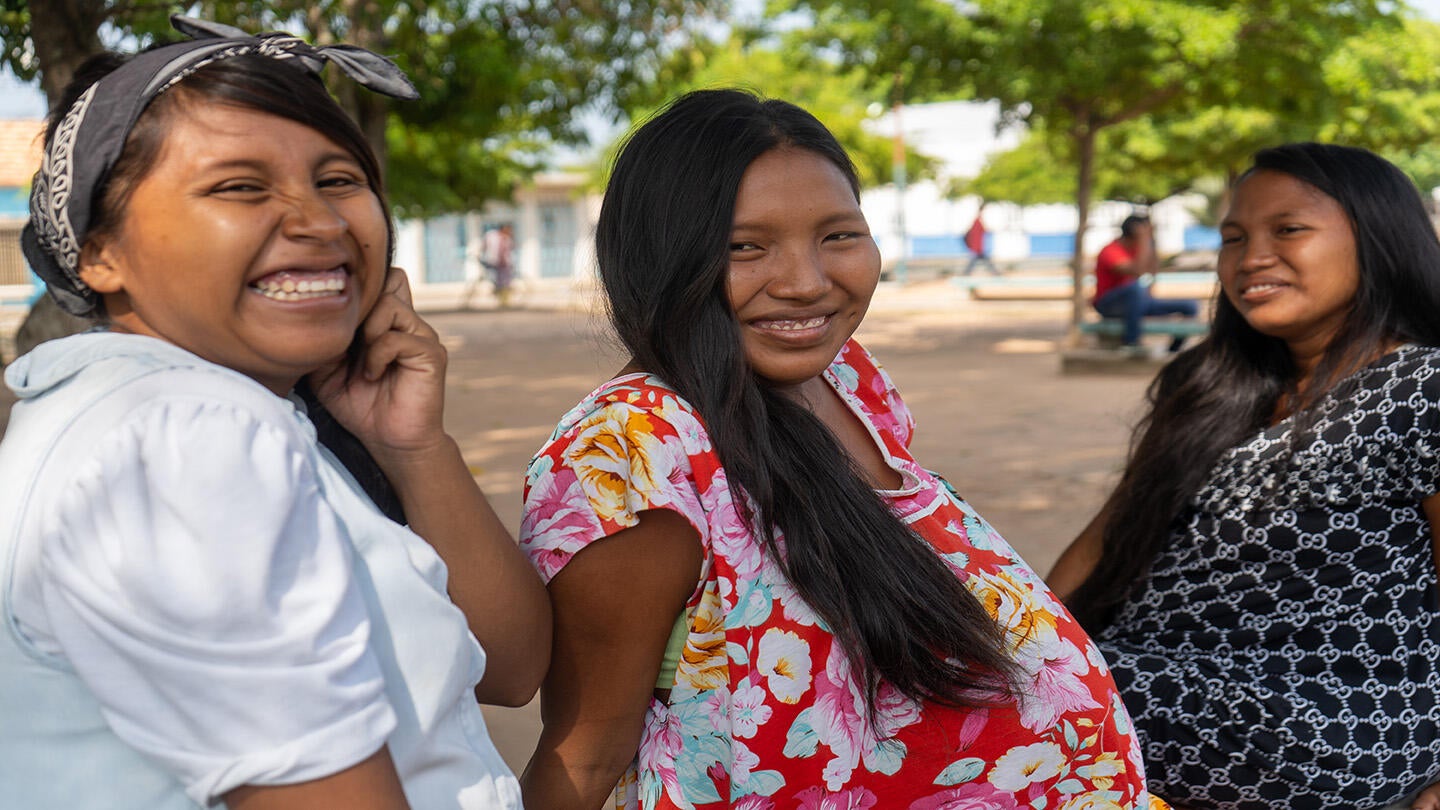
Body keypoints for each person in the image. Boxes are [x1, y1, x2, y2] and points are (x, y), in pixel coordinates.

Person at [518, 89, 1164, 809]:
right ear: (658, 260)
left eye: (838, 235)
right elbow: (588, 750)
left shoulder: (847, 379)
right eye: (744, 247)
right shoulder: (636, 453)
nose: (806, 284)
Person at [0, 16, 549, 808]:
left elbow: (508, 670)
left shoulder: (235, 412)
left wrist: (413, 446)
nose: (320, 224)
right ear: (98, 253)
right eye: (240, 187)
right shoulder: (182, 440)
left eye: (338, 181)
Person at [1048, 143, 1440, 809]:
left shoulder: (1422, 385)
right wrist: (1029, 644)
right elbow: (1108, 539)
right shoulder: (1213, 384)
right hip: (1166, 686)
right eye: (1233, 237)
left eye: (1288, 230)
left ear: (1376, 237)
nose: (1250, 257)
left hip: (1321, 721)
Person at [1091, 215, 1198, 352]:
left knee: (1190, 306)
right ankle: (1131, 342)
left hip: (1136, 303)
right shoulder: (1110, 251)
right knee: (1135, 288)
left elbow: (1152, 270)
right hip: (1109, 305)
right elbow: (1138, 271)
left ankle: (1172, 350)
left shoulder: (1140, 249)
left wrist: (1151, 241)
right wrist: (1144, 238)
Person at [960, 200, 1000, 276]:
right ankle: (995, 273)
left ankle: (966, 274)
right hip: (977, 247)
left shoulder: (977, 220)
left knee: (979, 261)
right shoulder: (977, 221)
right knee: (979, 261)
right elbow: (978, 233)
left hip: (978, 247)